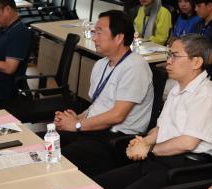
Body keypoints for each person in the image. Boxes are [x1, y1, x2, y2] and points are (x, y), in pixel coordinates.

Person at [88, 32, 212, 189]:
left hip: (187, 169)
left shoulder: (206, 95)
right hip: (161, 160)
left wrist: (149, 148)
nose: (168, 61)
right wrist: (144, 142)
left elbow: (188, 143)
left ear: (196, 62)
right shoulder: (177, 89)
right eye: (169, 55)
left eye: (174, 56)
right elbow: (160, 128)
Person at [58, 11, 155, 176]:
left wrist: (77, 125)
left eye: (99, 32)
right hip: (94, 130)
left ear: (119, 38)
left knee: (59, 158)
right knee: (44, 142)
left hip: (116, 139)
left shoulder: (135, 67)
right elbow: (97, 104)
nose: (94, 38)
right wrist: (75, 119)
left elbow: (117, 116)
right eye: (94, 32)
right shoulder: (101, 64)